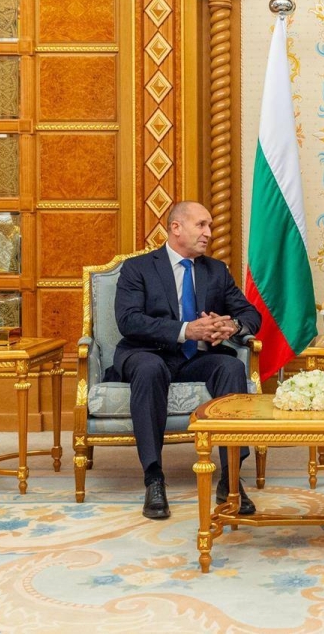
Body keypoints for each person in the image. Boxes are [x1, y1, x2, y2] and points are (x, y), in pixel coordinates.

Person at [112, 200, 261, 520]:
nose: (209, 233)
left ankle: (231, 478)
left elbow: (251, 314)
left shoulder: (216, 270)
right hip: (149, 353)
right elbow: (129, 320)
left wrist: (231, 326)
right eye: (201, 225)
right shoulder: (138, 268)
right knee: (149, 369)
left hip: (197, 358)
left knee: (232, 366)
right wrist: (184, 330)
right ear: (176, 228)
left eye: (211, 226)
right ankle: (154, 478)